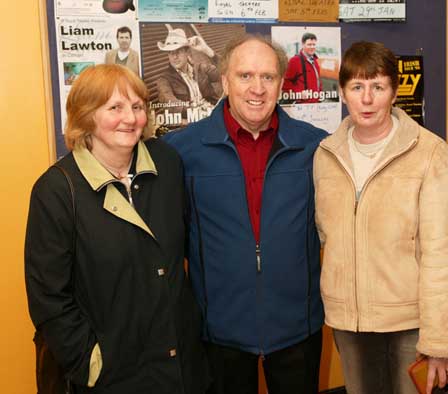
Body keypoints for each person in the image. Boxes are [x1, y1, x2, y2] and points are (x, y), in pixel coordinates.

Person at [25, 64, 210, 393]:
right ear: (86, 115)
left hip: (180, 366)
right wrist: (89, 363)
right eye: (115, 107)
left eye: (137, 106)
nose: (130, 118)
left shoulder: (166, 164)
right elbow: (48, 298)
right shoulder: (56, 190)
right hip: (112, 375)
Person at [163, 34, 327, 394]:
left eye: (267, 77)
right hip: (218, 333)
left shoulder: (317, 147)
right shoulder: (179, 151)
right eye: (245, 76)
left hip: (298, 329)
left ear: (281, 84)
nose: (257, 88)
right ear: (224, 81)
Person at [313, 41, 448, 394]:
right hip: (349, 324)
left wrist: (441, 343)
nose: (367, 99)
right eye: (357, 87)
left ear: (394, 92)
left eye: (378, 87)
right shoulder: (325, 155)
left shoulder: (429, 153)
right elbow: (325, 234)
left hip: (410, 325)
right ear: (343, 93)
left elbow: (443, 255)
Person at [156, 28, 221, 124]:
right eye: (170, 53)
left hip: (213, 114)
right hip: (193, 122)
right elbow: (171, 104)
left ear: (187, 52)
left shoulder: (201, 68)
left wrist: (206, 50)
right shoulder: (164, 80)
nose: (174, 57)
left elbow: (226, 71)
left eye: (178, 51)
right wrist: (198, 111)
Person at [282, 32, 321, 103]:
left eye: (314, 44)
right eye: (309, 44)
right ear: (303, 45)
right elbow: (285, 84)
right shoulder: (295, 61)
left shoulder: (315, 61)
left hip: (315, 103)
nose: (312, 47)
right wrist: (299, 93)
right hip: (302, 105)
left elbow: (318, 81)